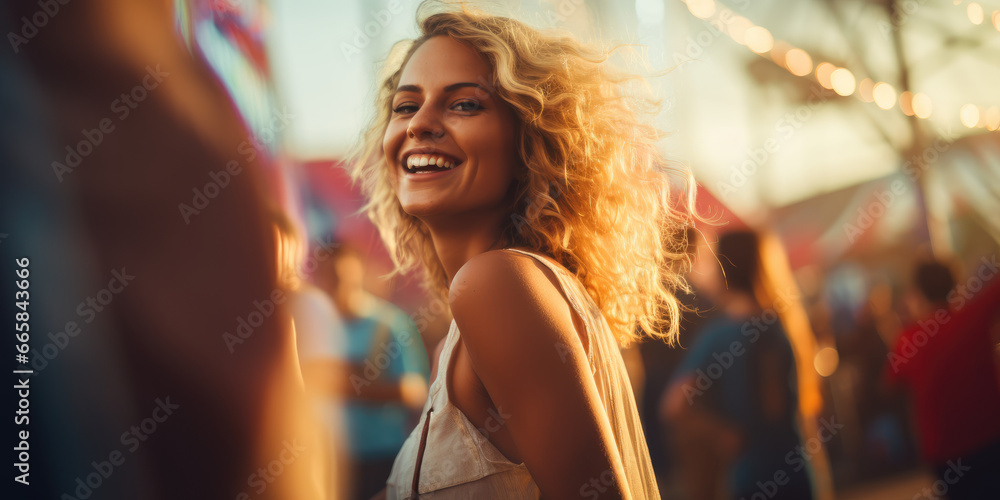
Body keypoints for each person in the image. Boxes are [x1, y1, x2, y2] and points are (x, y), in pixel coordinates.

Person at [346, 2, 692, 498]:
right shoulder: (494, 305)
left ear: (529, 139)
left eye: (464, 103)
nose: (419, 124)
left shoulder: (495, 284)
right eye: (406, 106)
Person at [662, 230, 816, 500]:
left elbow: (674, 406)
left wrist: (723, 434)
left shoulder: (716, 336)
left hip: (749, 475)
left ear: (724, 271)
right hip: (794, 469)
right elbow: (778, 406)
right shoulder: (784, 325)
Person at [318, 244, 430, 500]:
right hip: (331, 456)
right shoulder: (315, 327)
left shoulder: (389, 323)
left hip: (382, 456)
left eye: (339, 277)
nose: (333, 285)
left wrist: (347, 388)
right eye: (325, 276)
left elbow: (416, 391)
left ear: (357, 274)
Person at [886, 260, 1000, 500]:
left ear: (918, 292)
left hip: (944, 453)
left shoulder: (909, 339)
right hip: (990, 439)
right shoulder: (972, 317)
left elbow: (890, 381)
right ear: (955, 284)